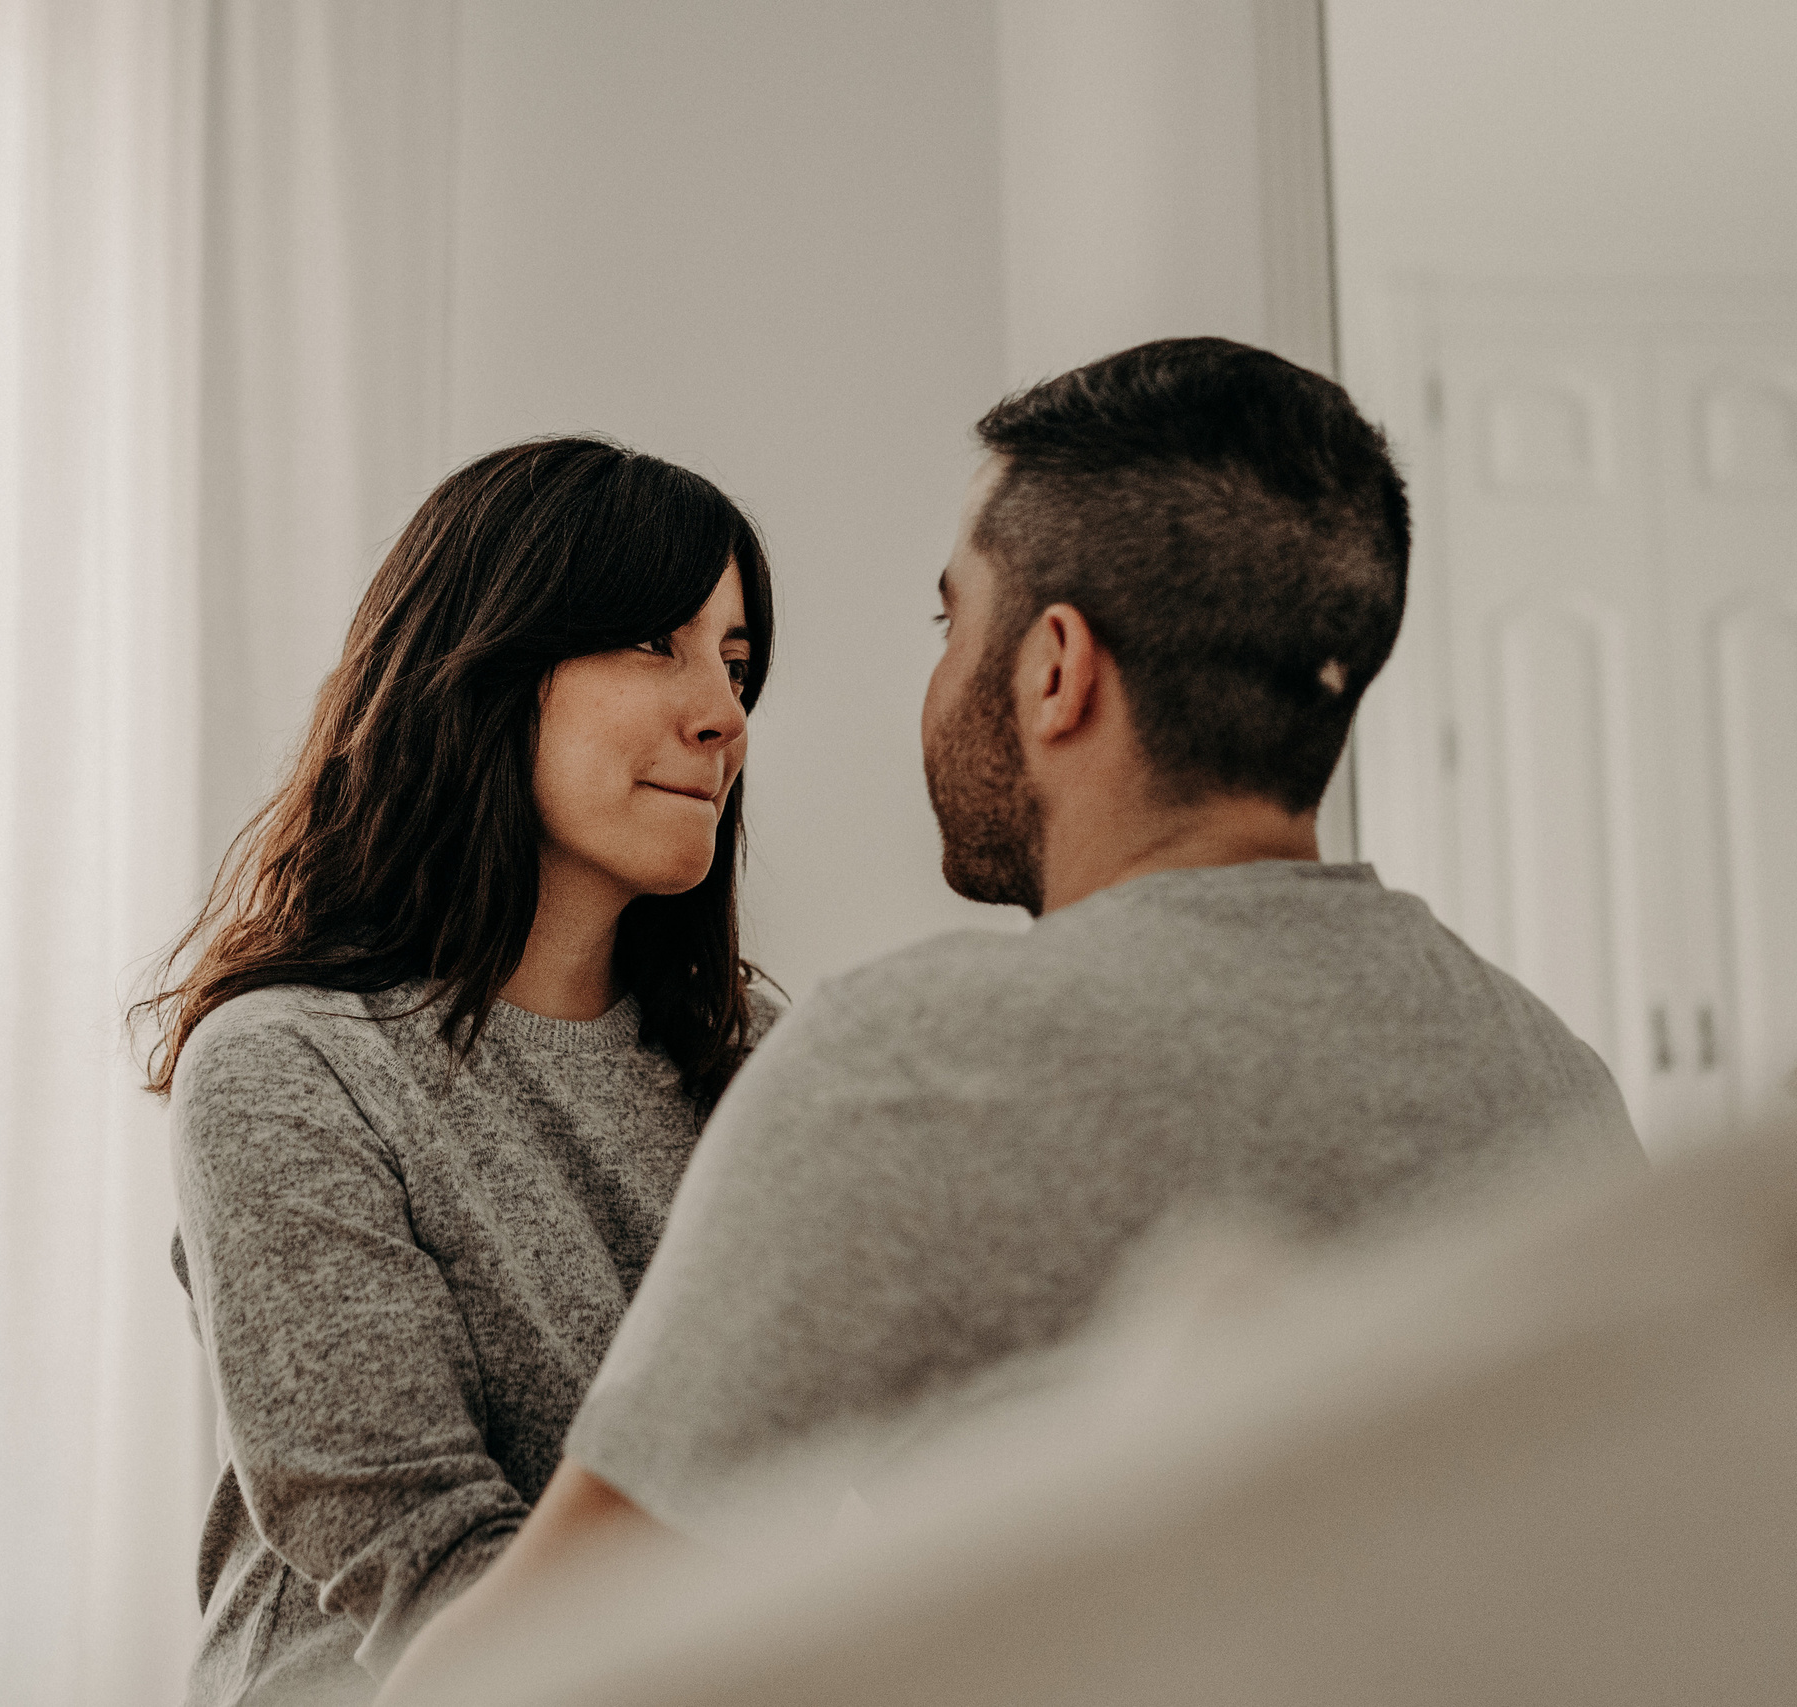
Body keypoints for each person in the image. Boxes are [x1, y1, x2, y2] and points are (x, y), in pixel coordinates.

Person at [379, 338, 1643, 1699]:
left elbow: (527, 1665)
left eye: (949, 622)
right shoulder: (1555, 1085)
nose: (732, 715)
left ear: (1054, 668)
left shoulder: (904, 1069)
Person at [144, 436, 781, 1706]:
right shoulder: (289, 1068)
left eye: (736, 661)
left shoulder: (753, 1054)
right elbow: (419, 1563)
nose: (721, 715)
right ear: (486, 669)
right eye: (655, 642)